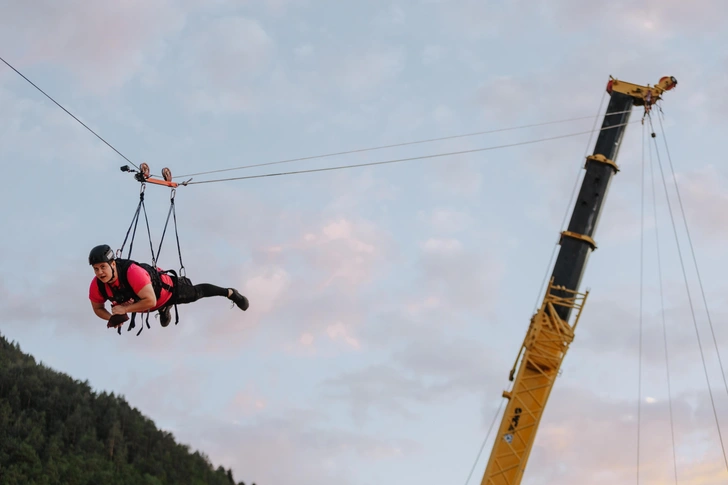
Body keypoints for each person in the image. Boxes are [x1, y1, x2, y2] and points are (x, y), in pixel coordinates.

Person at [88, 244, 249, 329]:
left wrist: (124, 310)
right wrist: (112, 318)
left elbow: (149, 301)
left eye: (103, 267)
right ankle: (164, 309)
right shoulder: (97, 285)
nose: (100, 272)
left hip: (165, 292)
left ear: (113, 264)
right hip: (145, 303)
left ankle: (229, 293)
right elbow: (97, 308)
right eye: (96, 269)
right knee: (153, 305)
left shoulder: (132, 273)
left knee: (196, 293)